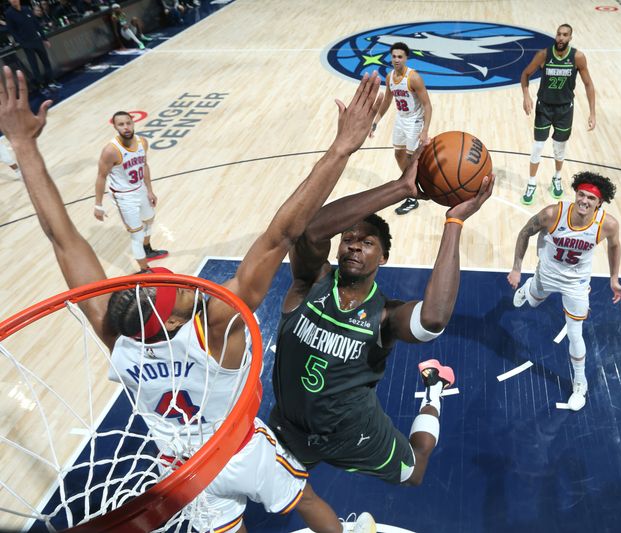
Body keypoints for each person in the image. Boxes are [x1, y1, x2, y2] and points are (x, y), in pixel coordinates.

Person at [0, 65, 385, 533]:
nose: (186, 283)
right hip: (239, 446)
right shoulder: (217, 327)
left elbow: (63, 239)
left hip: (182, 470)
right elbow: (280, 233)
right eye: (180, 289)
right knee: (305, 501)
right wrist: (342, 147)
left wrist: (23, 147)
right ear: (179, 319)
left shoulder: (114, 332)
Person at [268, 147, 493, 487]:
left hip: (354, 435)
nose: (355, 246)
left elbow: (432, 319)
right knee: (280, 486)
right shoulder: (310, 282)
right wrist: (400, 187)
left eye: (367, 242)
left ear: (384, 257)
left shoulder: (385, 314)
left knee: (414, 473)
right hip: (290, 425)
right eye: (348, 239)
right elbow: (311, 231)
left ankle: (433, 392)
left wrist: (455, 221)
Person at [506, 171, 621, 411]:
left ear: (600, 203)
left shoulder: (607, 224)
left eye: (591, 198)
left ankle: (579, 383)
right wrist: (516, 268)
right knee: (532, 302)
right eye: (581, 194)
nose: (584, 201)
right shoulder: (552, 214)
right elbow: (525, 231)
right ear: (575, 193)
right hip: (547, 274)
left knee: (575, 334)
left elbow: (615, 246)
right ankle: (528, 288)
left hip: (576, 284)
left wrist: (614, 278)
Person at [519, 24, 595, 205]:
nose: (561, 38)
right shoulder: (544, 54)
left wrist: (592, 113)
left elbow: (588, 84)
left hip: (564, 109)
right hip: (544, 107)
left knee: (559, 148)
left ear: (570, 38)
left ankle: (557, 178)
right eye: (559, 34)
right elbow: (525, 74)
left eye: (565, 35)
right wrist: (526, 96)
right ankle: (531, 183)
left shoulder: (577, 57)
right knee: (538, 146)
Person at [94, 111, 168, 270]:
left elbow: (144, 165)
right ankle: (144, 270)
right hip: (124, 197)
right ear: (115, 127)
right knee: (137, 235)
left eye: (128, 123)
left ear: (133, 123)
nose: (126, 127)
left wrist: (150, 190)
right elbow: (101, 177)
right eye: (121, 124)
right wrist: (98, 205)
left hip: (140, 189)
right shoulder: (110, 151)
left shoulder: (142, 142)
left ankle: (147, 250)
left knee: (149, 219)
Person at [369, 41, 432, 215]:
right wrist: (376, 121)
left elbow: (427, 105)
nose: (396, 60)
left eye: (400, 57)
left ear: (406, 58)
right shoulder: (390, 77)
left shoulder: (414, 78)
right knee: (398, 154)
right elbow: (388, 100)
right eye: (394, 56)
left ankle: (413, 195)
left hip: (414, 120)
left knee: (413, 159)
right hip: (401, 118)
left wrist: (425, 129)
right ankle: (410, 185)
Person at [3, 0, 62, 93]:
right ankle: (41, 86)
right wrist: (22, 43)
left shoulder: (26, 9)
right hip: (27, 44)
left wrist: (44, 38)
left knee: (46, 61)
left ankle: (51, 82)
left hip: (37, 40)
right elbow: (12, 31)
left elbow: (36, 25)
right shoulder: (9, 13)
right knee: (34, 66)